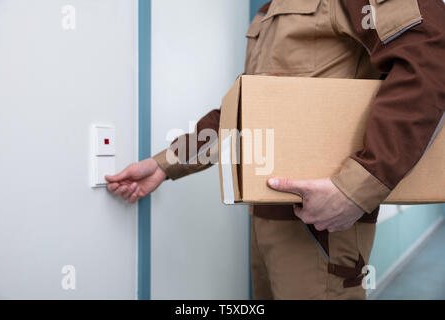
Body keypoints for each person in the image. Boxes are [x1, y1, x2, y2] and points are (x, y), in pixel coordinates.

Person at [106, 0, 445, 300]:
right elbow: (243, 114)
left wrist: (355, 189)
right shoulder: (268, 10)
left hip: (320, 228)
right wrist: (165, 165)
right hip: (264, 218)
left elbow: (430, 62)